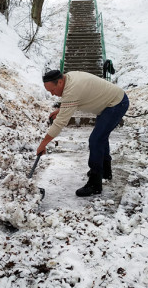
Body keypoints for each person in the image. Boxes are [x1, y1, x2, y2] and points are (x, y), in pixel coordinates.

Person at [36, 69, 129, 197]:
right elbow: (76, 99)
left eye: (52, 90)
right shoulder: (69, 79)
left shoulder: (71, 90)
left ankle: (95, 184)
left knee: (96, 140)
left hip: (116, 103)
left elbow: (59, 123)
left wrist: (43, 144)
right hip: (110, 102)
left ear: (60, 82)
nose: (52, 94)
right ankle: (105, 171)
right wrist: (62, 109)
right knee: (101, 137)